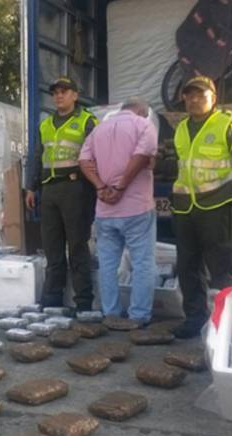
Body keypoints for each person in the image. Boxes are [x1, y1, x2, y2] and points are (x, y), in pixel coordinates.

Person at [170, 76, 232, 339]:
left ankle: (223, 325)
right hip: (186, 210)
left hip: (218, 208)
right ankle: (194, 320)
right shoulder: (180, 128)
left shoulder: (227, 123)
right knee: (188, 268)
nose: (193, 99)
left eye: (200, 94)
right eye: (189, 95)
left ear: (213, 97)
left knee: (222, 270)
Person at [79, 98, 158, 326]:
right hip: (136, 208)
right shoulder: (143, 125)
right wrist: (121, 186)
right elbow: (142, 155)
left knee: (107, 265)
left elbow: (83, 160)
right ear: (142, 110)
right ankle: (138, 316)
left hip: (105, 211)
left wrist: (101, 187)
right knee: (143, 263)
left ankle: (111, 313)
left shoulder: (98, 130)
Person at [25, 76, 98, 311]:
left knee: (77, 247)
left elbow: (97, 155)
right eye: (55, 92)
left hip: (76, 188)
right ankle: (52, 299)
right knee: (52, 247)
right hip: (49, 190)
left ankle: (83, 302)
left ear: (75, 95)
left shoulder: (87, 121)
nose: (58, 96)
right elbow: (36, 157)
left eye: (64, 91)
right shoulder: (45, 125)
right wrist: (31, 187)